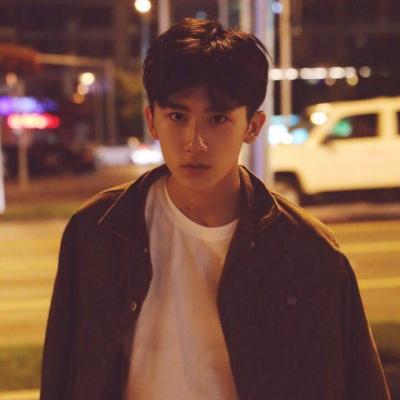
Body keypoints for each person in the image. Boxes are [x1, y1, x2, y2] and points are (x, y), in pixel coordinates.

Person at [40, 18, 391, 400]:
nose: (196, 141)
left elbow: (358, 384)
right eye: (178, 117)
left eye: (218, 118)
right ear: (152, 120)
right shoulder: (98, 231)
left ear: (252, 126)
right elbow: (61, 373)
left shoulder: (308, 251)